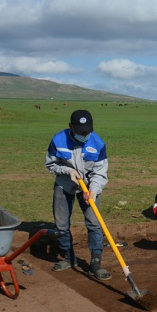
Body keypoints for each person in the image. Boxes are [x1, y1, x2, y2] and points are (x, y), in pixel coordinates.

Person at [44, 109, 111, 280]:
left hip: (89, 188)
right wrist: (68, 171)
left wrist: (94, 190)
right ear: (70, 126)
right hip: (64, 185)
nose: (84, 135)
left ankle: (95, 263)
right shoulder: (58, 140)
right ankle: (69, 257)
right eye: (80, 131)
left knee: (94, 224)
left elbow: (100, 173)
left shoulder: (98, 143)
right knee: (61, 225)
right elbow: (51, 165)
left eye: (87, 131)